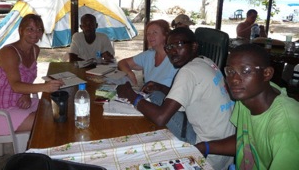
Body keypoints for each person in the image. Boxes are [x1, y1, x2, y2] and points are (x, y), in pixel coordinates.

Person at [117, 27, 235, 169]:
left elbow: (161, 118)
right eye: (169, 47)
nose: (172, 51)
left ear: (194, 46)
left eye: (179, 45)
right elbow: (190, 94)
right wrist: (161, 87)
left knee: (154, 107)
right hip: (227, 150)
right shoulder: (206, 62)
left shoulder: (188, 72)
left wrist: (131, 95)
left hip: (207, 151)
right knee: (157, 95)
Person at [195, 44, 299, 169]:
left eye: (246, 71)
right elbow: (245, 140)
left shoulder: (286, 125)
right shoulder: (248, 95)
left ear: (267, 73)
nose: (234, 79)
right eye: (230, 71)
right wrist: (204, 147)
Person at [0, 14, 64, 135]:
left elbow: (26, 79)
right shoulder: (9, 52)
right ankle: (39, 150)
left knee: (58, 109)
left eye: (39, 29)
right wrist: (45, 87)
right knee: (48, 119)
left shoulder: (35, 50)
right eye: (30, 29)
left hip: (17, 101)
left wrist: (26, 93)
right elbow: (16, 85)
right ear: (21, 30)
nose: (35, 33)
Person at [118, 19, 177, 87]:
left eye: (155, 32)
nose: (150, 36)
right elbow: (122, 63)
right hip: (148, 96)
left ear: (165, 36)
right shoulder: (149, 54)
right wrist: (129, 73)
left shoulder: (175, 58)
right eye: (148, 33)